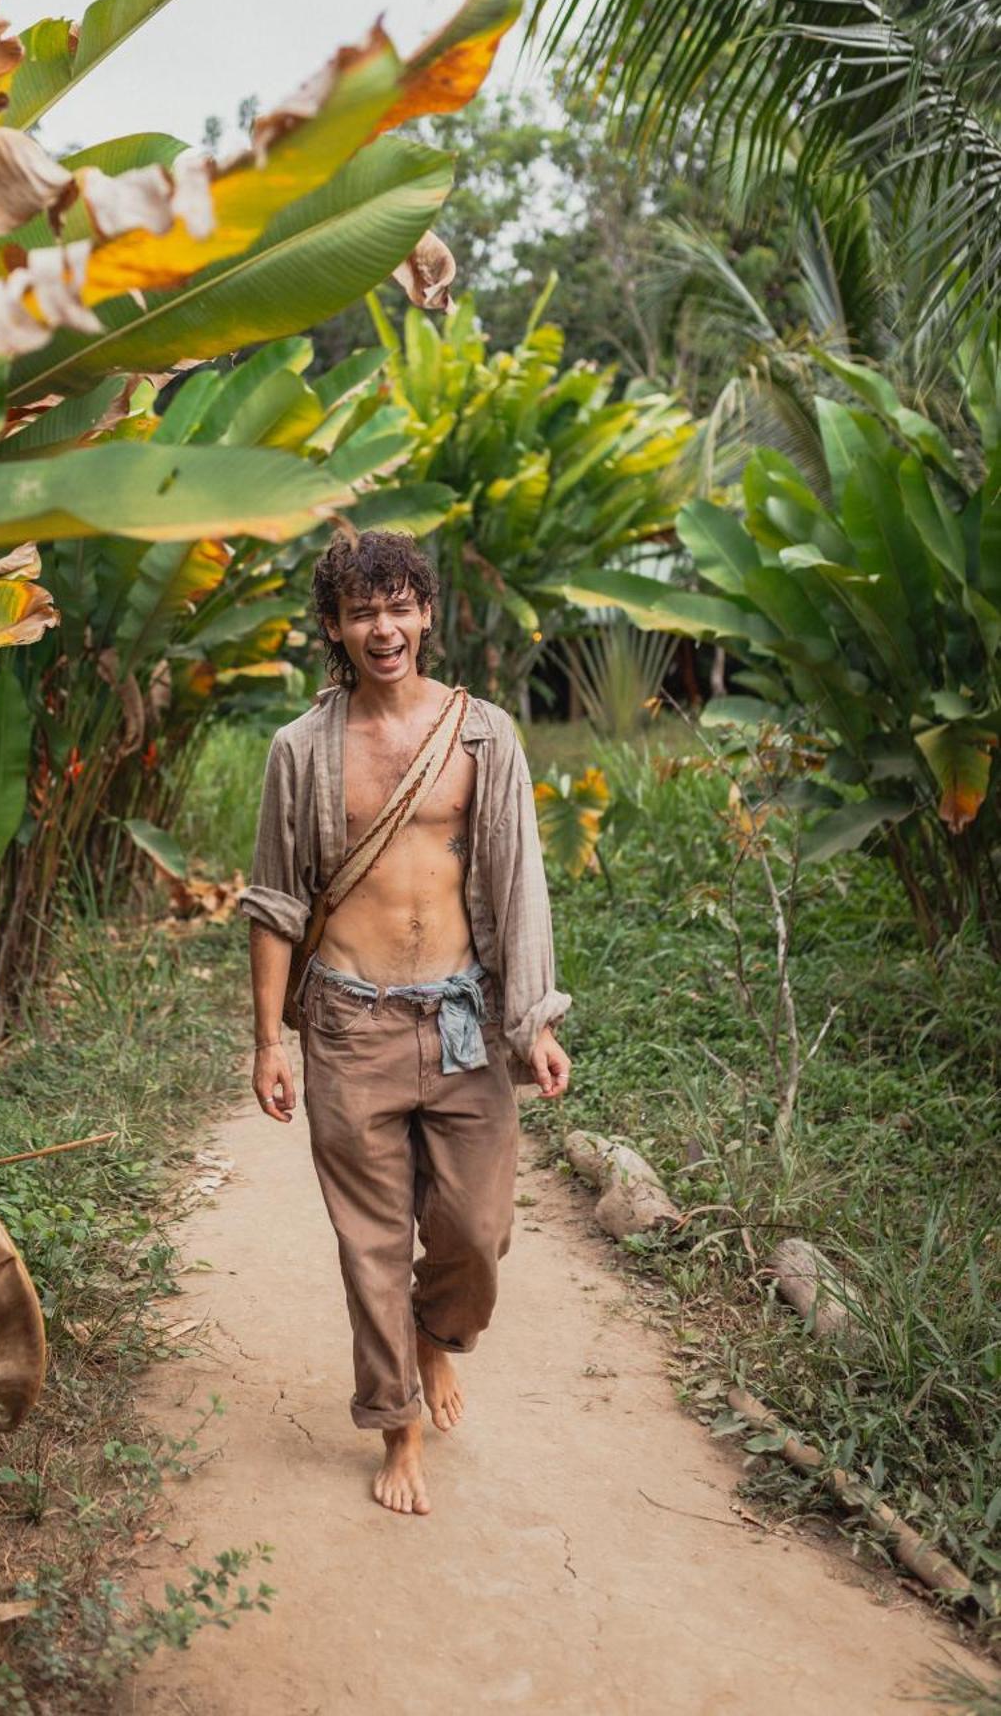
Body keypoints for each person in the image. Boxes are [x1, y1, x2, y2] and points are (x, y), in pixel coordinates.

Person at [240, 528, 572, 1517]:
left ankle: (437, 1333)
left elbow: (520, 885)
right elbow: (273, 903)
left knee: (474, 1229)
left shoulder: (484, 735)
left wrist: (535, 1021)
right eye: (359, 612)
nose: (381, 628)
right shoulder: (300, 749)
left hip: (464, 1016)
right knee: (372, 1241)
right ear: (335, 629)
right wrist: (269, 1039)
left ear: (425, 612)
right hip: (348, 1020)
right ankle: (397, 1425)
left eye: (398, 606)